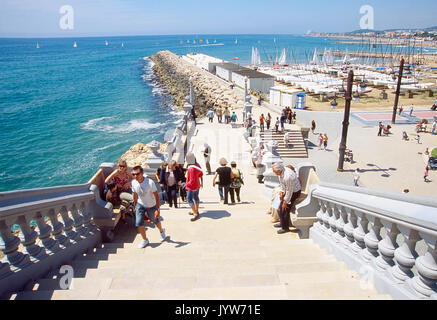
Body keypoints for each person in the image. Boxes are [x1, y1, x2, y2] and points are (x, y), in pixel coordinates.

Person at [131, 166, 166, 249]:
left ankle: (161, 231)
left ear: (142, 173)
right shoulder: (133, 182)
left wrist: (157, 209)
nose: (135, 176)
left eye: (137, 174)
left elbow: (157, 196)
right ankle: (145, 240)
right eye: (134, 174)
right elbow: (135, 195)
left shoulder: (150, 182)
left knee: (155, 221)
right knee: (139, 223)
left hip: (151, 205)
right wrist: (135, 205)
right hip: (140, 204)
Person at [272, 163, 302, 234]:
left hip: (295, 192)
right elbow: (282, 184)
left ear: (279, 170)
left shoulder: (288, 176)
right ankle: (282, 223)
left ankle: (285, 228)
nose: (273, 172)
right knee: (280, 206)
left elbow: (289, 191)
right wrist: (281, 192)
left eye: (274, 171)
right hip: (288, 190)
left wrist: (285, 202)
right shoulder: (281, 172)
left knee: (285, 208)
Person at [185, 152, 203, 221]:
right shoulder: (197, 165)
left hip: (192, 187)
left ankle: (195, 213)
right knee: (196, 198)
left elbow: (191, 181)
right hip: (197, 184)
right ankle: (196, 210)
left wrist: (186, 184)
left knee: (189, 199)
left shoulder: (191, 168)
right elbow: (201, 174)